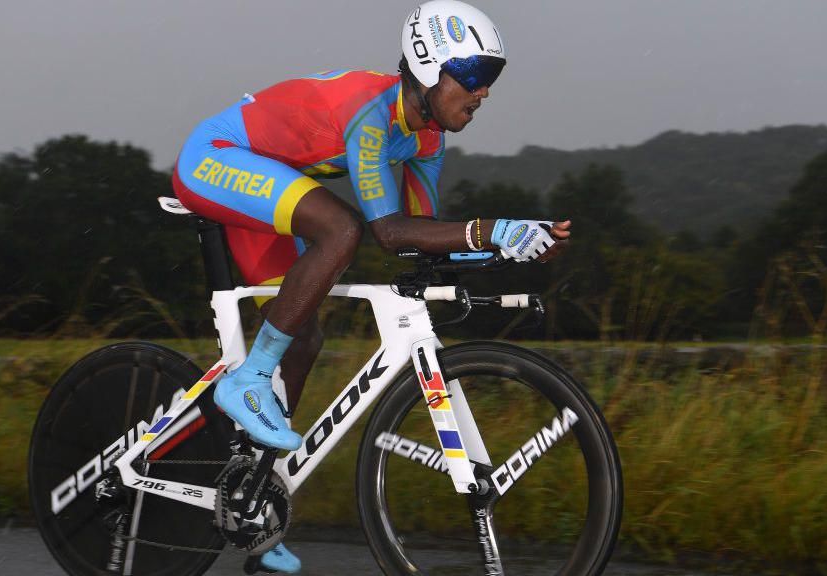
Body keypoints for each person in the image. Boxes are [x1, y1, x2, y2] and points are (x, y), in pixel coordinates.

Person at [171, 1, 570, 571]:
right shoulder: (373, 115)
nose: (483, 93)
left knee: (303, 338)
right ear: (430, 69)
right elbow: (387, 233)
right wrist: (488, 228)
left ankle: (252, 507)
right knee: (341, 229)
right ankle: (248, 380)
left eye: (491, 79)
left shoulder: (426, 138)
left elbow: (422, 237)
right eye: (475, 77)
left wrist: (505, 242)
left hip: (263, 188)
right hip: (215, 160)